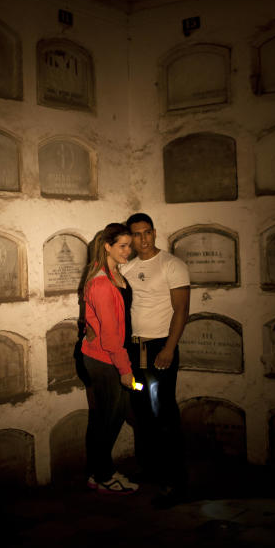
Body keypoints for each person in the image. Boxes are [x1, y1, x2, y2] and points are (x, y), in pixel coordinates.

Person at [120, 212, 190, 508]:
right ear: (131, 239)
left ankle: (175, 481)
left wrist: (170, 348)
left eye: (148, 232)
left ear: (155, 232)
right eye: (137, 234)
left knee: (163, 412)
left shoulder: (172, 264)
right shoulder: (128, 267)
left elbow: (182, 309)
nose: (144, 238)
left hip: (160, 348)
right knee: (141, 409)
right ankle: (150, 468)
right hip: (136, 352)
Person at [79, 223, 140, 495]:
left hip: (111, 356)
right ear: (107, 247)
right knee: (109, 419)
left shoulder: (114, 273)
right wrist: (125, 370)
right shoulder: (102, 283)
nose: (129, 250)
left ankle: (97, 472)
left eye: (129, 245)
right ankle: (103, 476)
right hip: (105, 360)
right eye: (122, 246)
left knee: (108, 417)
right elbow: (111, 335)